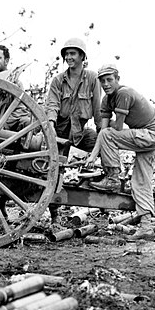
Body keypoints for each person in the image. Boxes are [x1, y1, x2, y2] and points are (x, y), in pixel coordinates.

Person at [86, 63, 155, 240]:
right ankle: (146, 227)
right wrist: (92, 156)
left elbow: (116, 129)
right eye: (102, 81)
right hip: (144, 136)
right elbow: (102, 133)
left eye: (109, 80)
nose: (106, 84)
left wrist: (101, 145)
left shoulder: (123, 93)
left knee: (109, 134)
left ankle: (113, 178)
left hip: (152, 134)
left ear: (117, 79)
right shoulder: (106, 100)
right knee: (140, 180)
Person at [44, 37, 103, 227]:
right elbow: (52, 104)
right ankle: (55, 216)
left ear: (82, 56)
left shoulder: (93, 78)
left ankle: (105, 180)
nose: (69, 57)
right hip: (60, 130)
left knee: (98, 143)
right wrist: (51, 126)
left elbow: (97, 108)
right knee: (54, 170)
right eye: (66, 54)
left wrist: (103, 132)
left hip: (79, 130)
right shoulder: (58, 80)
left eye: (73, 54)